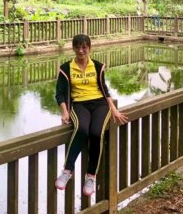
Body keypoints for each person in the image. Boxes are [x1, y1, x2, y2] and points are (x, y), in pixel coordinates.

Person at [54, 34, 129, 196]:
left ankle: (90, 176)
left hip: (100, 104)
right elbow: (59, 94)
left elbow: (104, 90)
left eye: (84, 47)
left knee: (96, 133)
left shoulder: (97, 66)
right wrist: (65, 111)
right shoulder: (66, 68)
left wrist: (114, 109)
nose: (81, 51)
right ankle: (67, 171)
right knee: (81, 130)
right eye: (78, 47)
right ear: (73, 48)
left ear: (90, 48)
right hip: (79, 103)